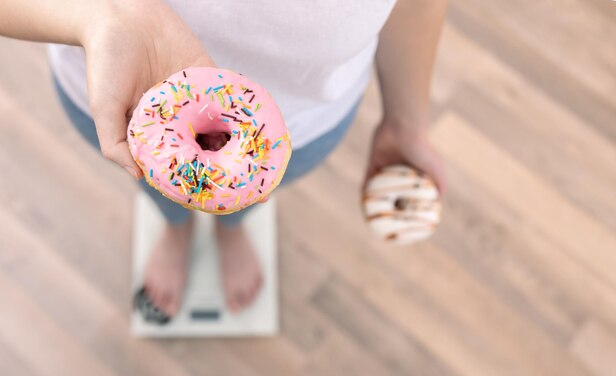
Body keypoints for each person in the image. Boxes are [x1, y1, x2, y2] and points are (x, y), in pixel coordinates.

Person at [0, 0, 447, 317]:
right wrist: (97, 14)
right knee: (155, 188)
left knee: (252, 198)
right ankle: (175, 229)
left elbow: (414, 5)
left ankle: (232, 229)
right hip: (121, 96)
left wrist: (405, 122)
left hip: (302, 121)